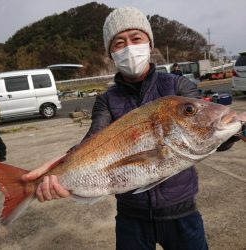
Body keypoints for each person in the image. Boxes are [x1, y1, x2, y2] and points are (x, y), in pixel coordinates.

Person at [22, 7, 245, 250]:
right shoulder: (106, 100)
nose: (129, 47)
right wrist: (58, 168)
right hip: (131, 218)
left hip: (182, 213)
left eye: (136, 38)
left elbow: (209, 135)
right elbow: (91, 143)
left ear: (150, 44)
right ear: (110, 53)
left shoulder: (177, 86)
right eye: (119, 42)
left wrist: (237, 129)